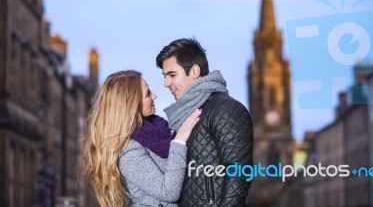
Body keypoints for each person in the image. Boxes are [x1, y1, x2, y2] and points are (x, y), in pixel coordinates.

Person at [80, 70, 201, 207]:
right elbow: (168, 192)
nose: (154, 95)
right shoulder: (128, 151)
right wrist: (179, 142)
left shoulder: (158, 132)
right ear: (130, 104)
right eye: (147, 94)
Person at [156, 38, 253, 206]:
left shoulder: (225, 109)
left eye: (172, 75)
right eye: (165, 76)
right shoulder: (184, 116)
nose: (166, 83)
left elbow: (238, 172)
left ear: (194, 71)